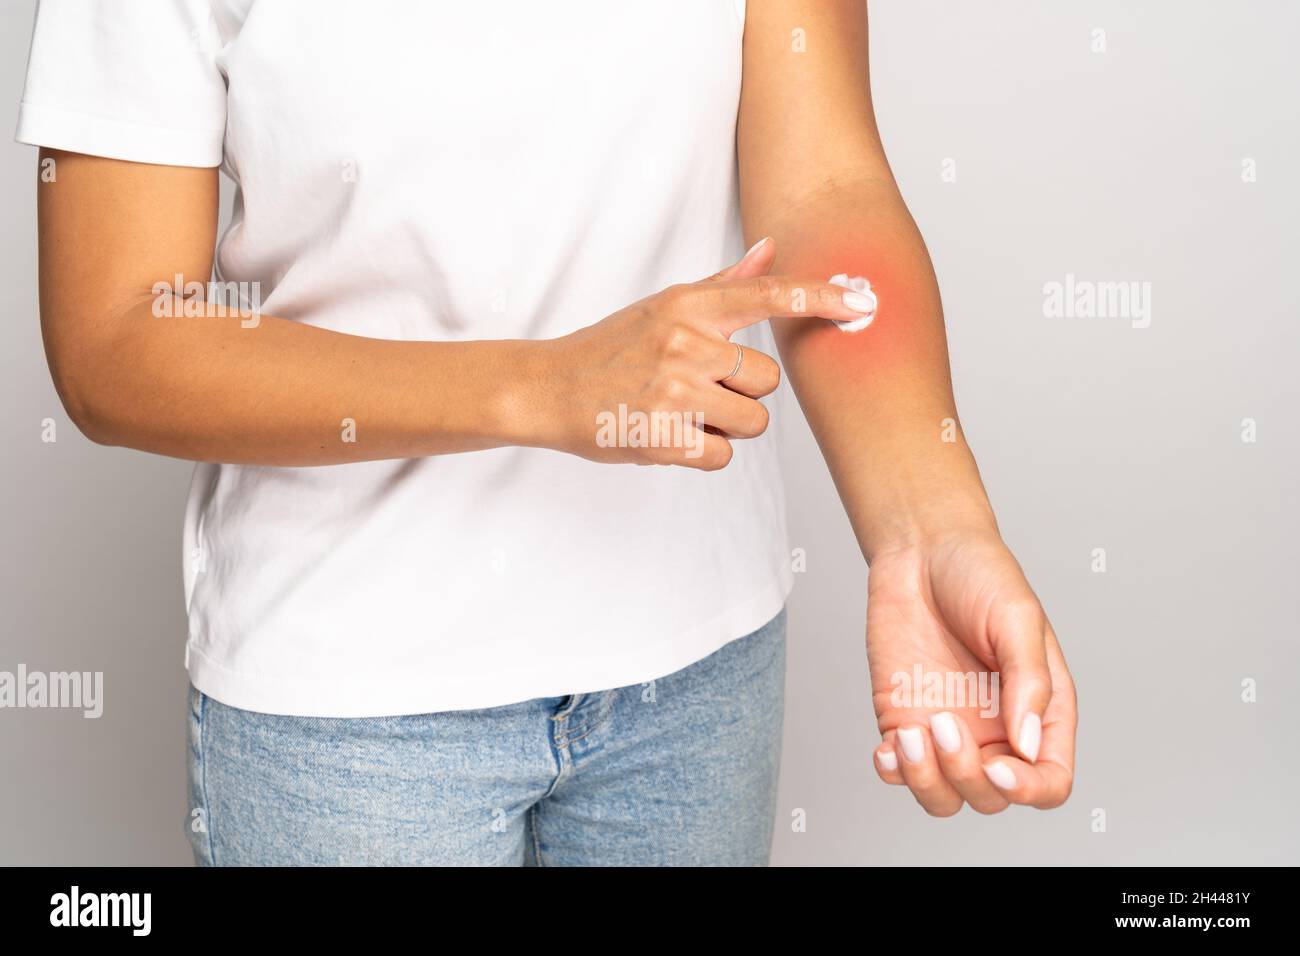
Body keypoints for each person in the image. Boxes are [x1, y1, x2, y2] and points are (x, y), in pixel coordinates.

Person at [17, 0, 1076, 865]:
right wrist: (540, 386)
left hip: (697, 668)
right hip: (349, 707)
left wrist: (931, 528)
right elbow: (117, 337)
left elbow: (823, 188)